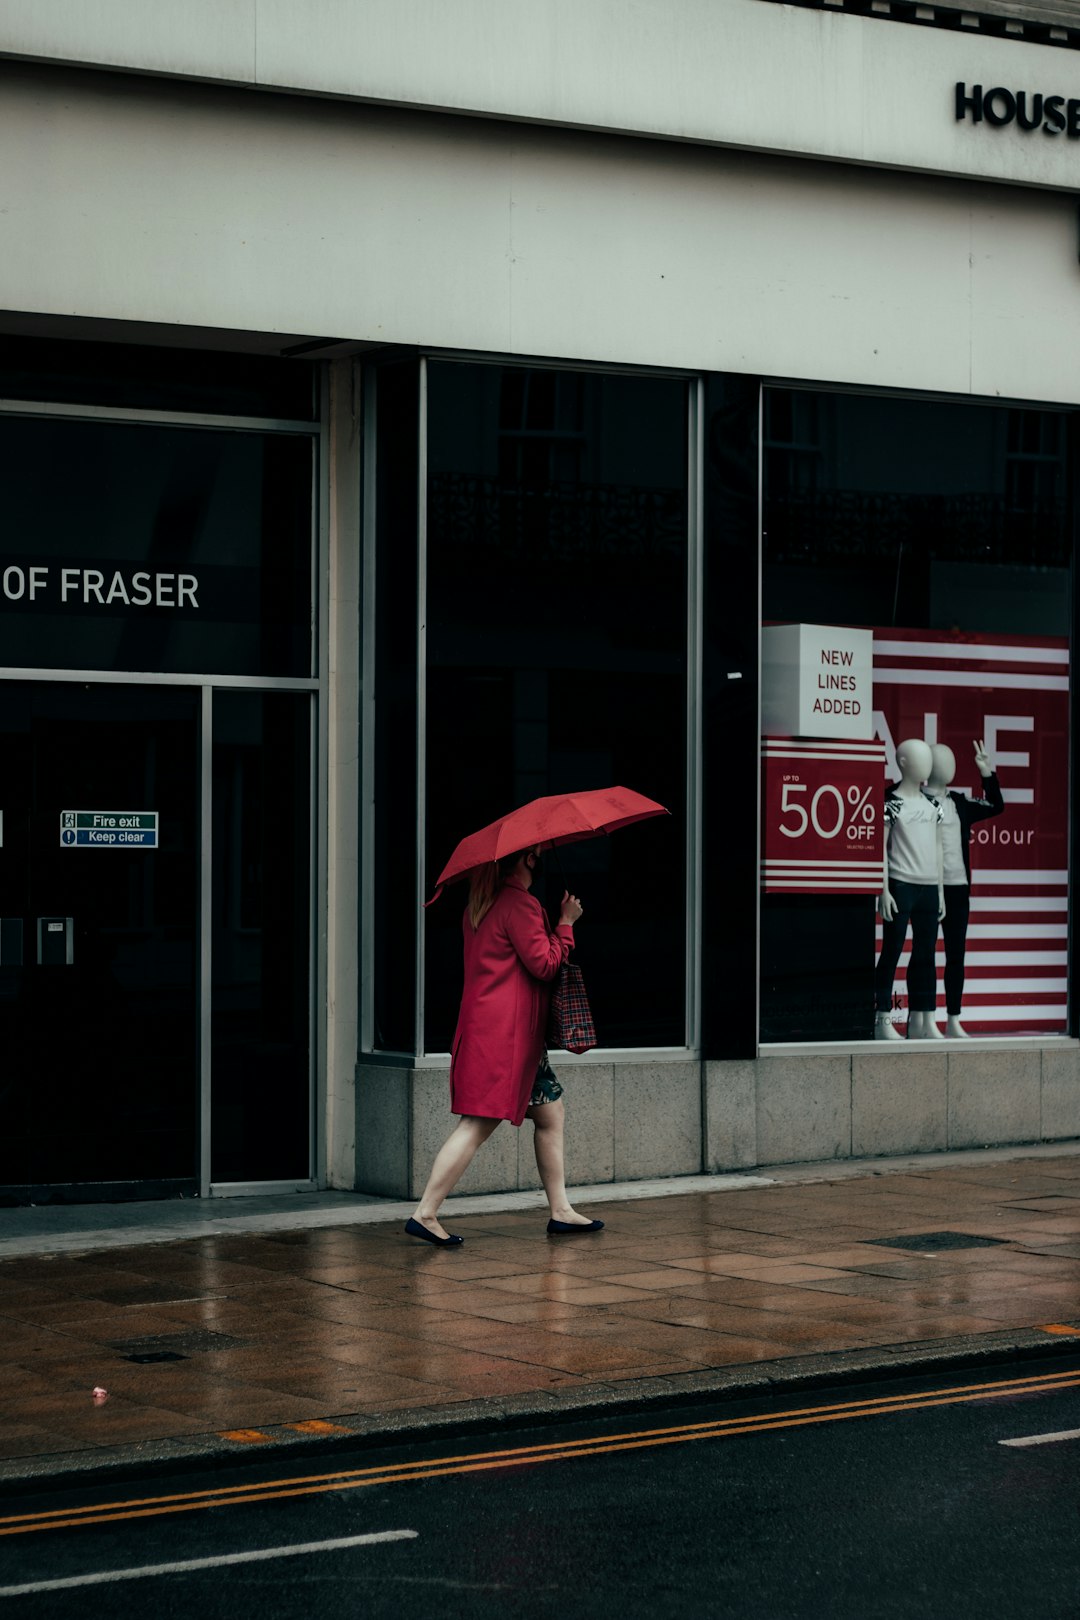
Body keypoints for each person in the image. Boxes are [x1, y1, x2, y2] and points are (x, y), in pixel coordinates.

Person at [405, 845, 603, 1247]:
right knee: (476, 1124)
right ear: (529, 859)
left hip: (497, 1034)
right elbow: (545, 965)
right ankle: (425, 1213)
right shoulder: (520, 905)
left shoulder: (481, 906)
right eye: (539, 852)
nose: (543, 856)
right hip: (505, 1040)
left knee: (550, 1113)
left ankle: (561, 1211)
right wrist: (566, 923)